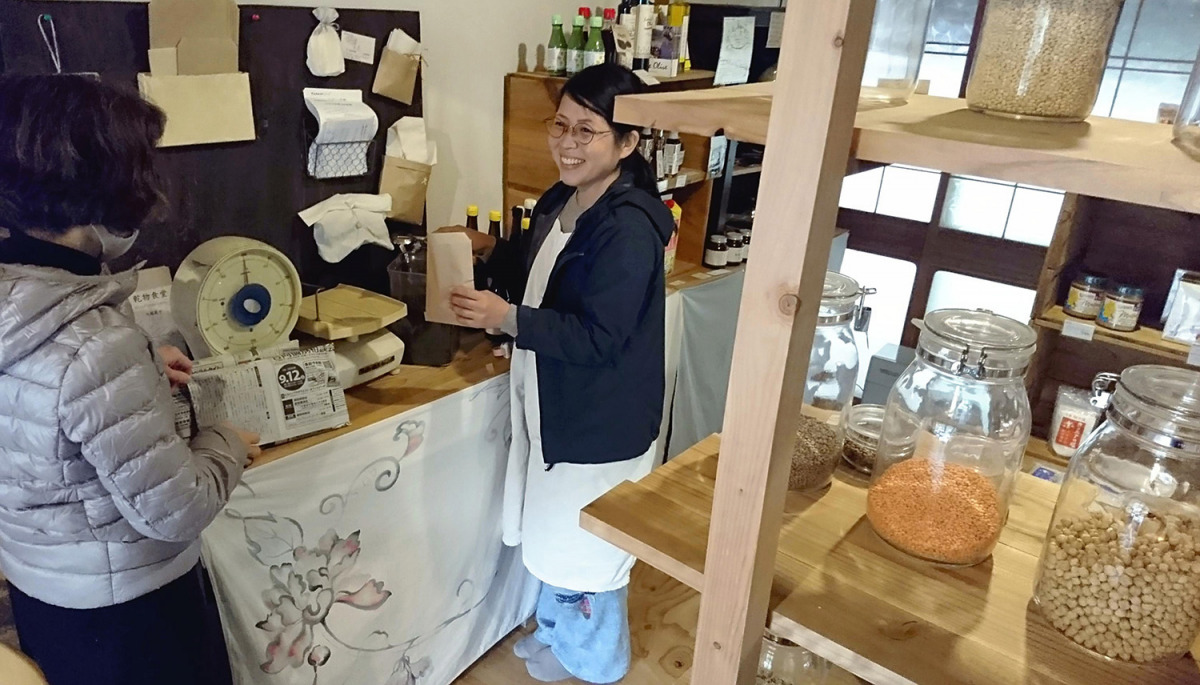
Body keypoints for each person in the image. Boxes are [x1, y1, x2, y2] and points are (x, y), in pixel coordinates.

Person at [0, 75, 261, 685]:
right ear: (106, 187)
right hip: (131, 609)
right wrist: (227, 443)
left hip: (41, 588)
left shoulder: (23, 301)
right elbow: (176, 512)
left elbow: (39, 410)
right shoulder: (95, 341)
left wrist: (138, 368)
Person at [445, 64, 674, 683]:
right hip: (555, 405)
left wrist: (510, 318)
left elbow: (601, 336)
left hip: (599, 422)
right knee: (552, 543)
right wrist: (488, 252)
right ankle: (559, 638)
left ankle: (599, 662)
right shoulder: (560, 199)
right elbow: (532, 272)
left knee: (585, 556)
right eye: (561, 125)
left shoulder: (628, 228)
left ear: (627, 143)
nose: (568, 143)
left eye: (588, 131)